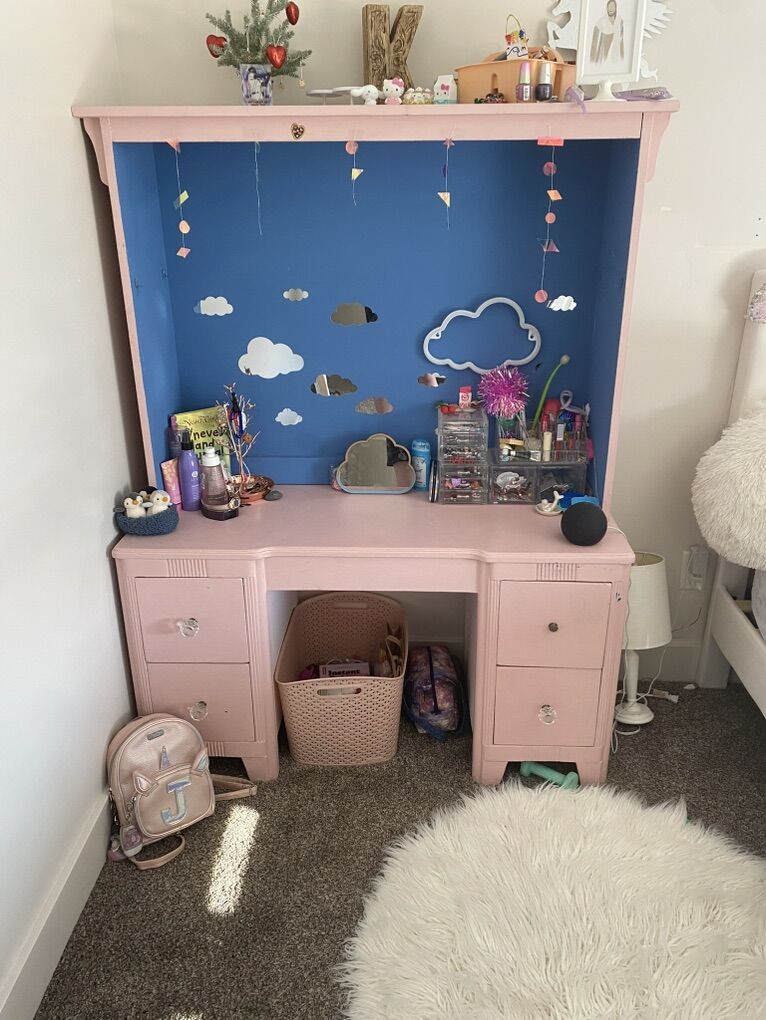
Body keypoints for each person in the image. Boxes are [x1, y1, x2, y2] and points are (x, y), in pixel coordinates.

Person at [590, 0, 625, 65]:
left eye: (613, 6)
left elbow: (621, 41)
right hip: (602, 58)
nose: (611, 8)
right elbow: (594, 45)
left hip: (615, 58)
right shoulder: (600, 23)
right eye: (609, 6)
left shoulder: (619, 21)